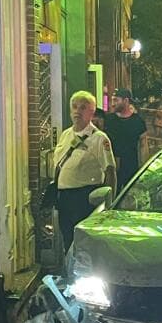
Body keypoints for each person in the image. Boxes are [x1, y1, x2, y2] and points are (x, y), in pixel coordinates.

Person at [53, 91, 116, 250]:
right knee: (67, 240)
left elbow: (110, 170)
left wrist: (109, 204)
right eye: (74, 107)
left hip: (84, 198)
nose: (77, 111)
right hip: (64, 197)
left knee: (84, 243)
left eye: (82, 108)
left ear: (91, 112)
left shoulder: (99, 138)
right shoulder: (65, 135)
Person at [105, 88, 147, 192]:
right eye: (112, 100)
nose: (113, 104)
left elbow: (143, 145)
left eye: (116, 100)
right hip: (111, 168)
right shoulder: (108, 120)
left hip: (131, 167)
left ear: (126, 101)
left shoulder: (138, 121)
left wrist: (144, 168)